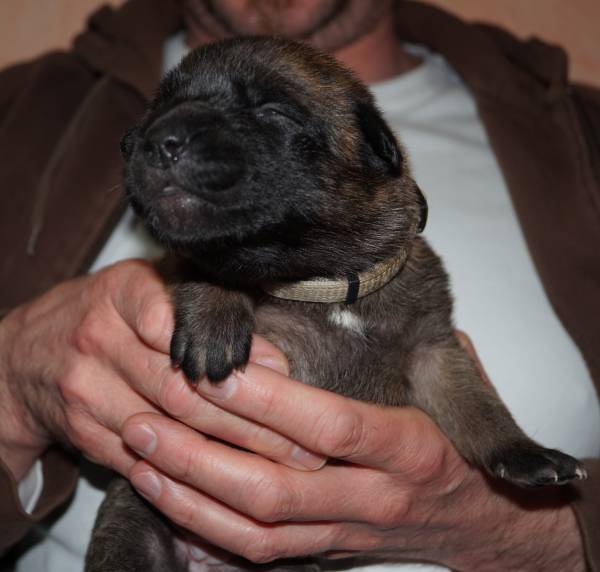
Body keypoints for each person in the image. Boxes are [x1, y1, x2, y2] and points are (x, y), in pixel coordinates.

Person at [1, 0, 599, 570]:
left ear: (378, 154)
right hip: (153, 530)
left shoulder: (582, 128)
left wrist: (547, 531)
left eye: (273, 114)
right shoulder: (22, 106)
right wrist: (11, 389)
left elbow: (433, 357)